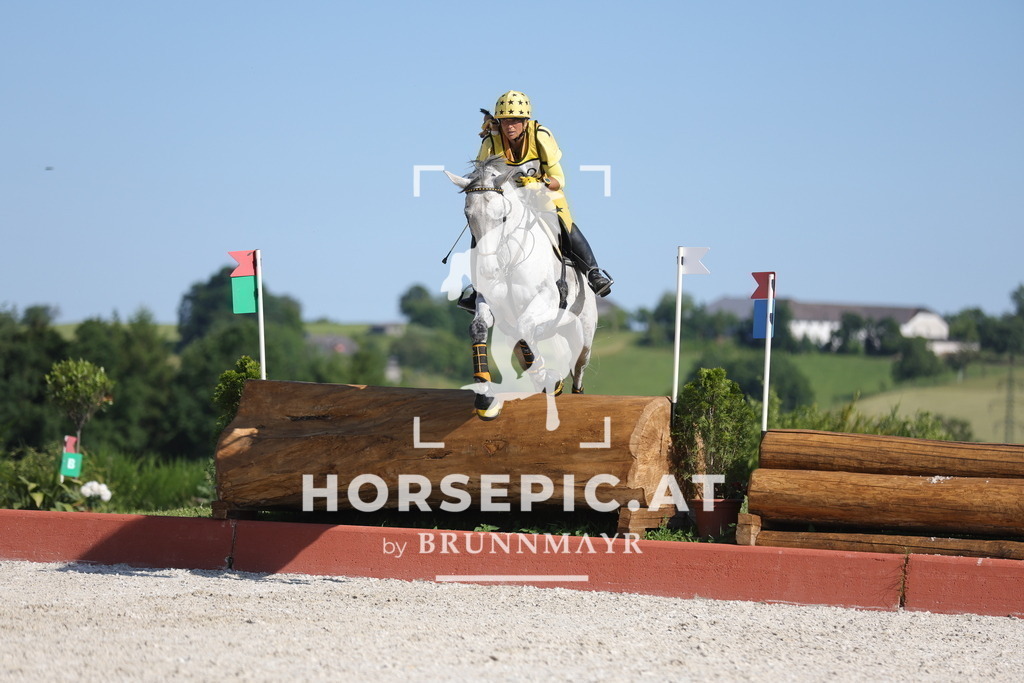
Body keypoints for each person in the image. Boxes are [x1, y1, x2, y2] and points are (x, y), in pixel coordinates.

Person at [471, 90, 614, 299]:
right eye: (505, 121)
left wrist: (538, 183)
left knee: (562, 220)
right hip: (508, 199)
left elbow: (559, 179)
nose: (510, 126)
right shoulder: (491, 142)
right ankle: (478, 288)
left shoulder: (540, 136)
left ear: (525, 121)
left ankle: (593, 272)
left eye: (515, 120)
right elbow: (480, 176)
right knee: (481, 222)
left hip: (544, 194)